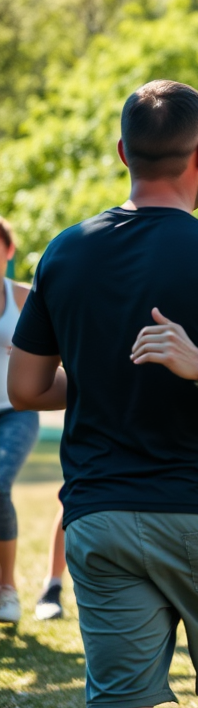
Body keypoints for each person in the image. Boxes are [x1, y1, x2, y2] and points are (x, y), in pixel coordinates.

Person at [8, 80, 198, 708]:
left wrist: (101, 374)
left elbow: (26, 387)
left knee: (119, 700)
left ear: (123, 152)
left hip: (100, 517)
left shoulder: (63, 252)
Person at [0, 218, 39, 623]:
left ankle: (7, 588)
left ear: (9, 251)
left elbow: (61, 349)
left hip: (17, 411)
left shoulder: (26, 298)